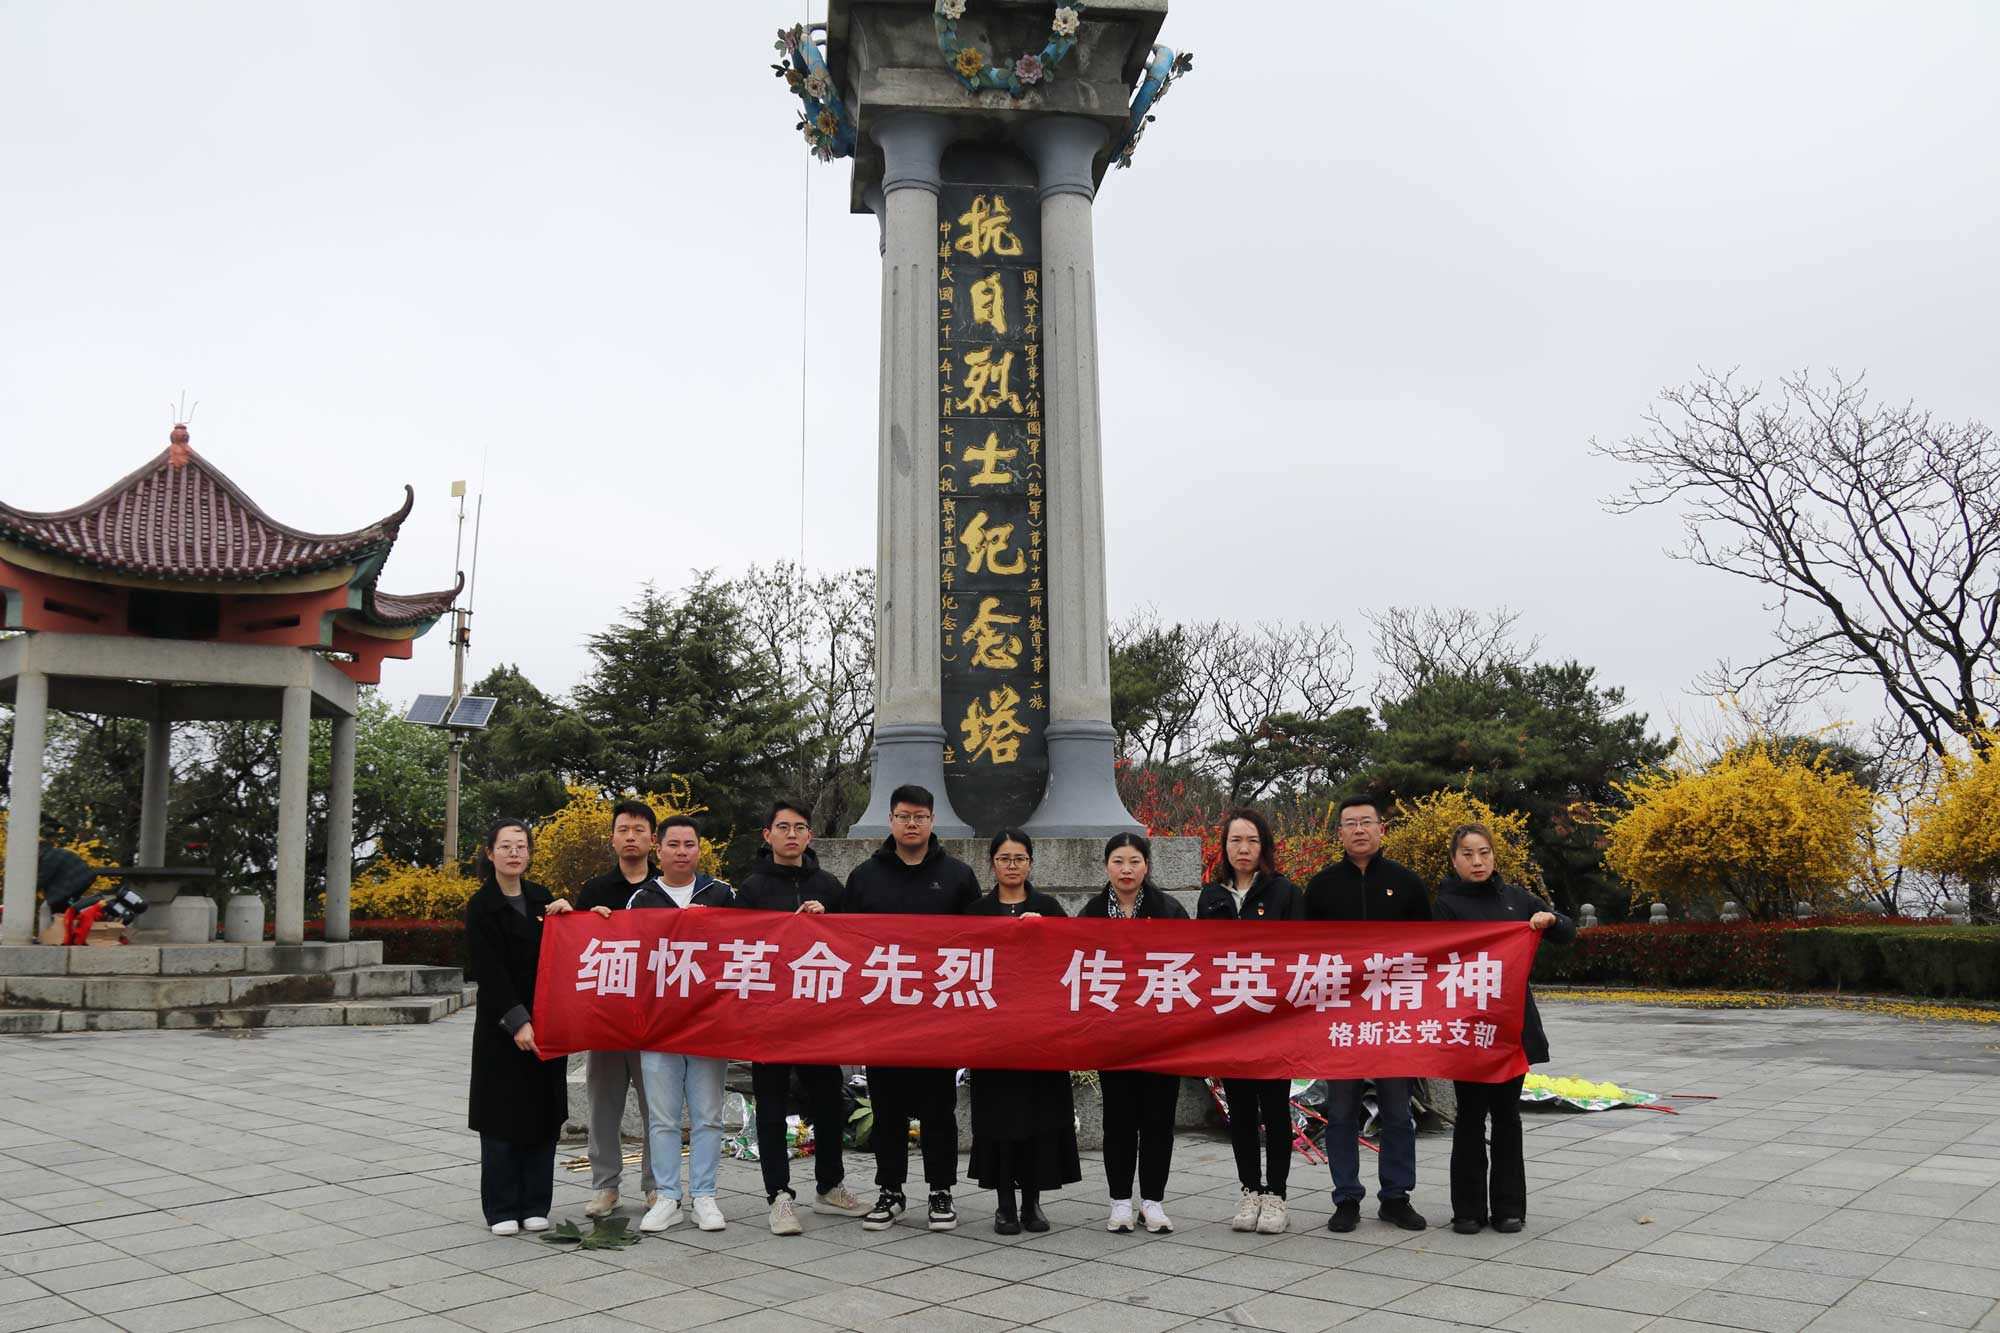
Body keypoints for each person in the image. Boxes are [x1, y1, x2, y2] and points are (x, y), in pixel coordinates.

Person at [840, 784, 981, 1232]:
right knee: (888, 1108)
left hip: (938, 1014)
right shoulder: (865, 876)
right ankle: (890, 1190)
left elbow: (980, 943)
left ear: (932, 821)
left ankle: (941, 1191)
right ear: (891, 820)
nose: (912, 824)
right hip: (883, 1012)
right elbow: (846, 941)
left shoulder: (957, 876)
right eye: (904, 816)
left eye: (920, 817)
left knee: (939, 1109)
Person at [732, 798, 869, 1235]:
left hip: (817, 1015)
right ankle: (779, 1196)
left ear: (810, 835)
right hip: (769, 1017)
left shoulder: (829, 885)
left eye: (799, 827)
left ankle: (830, 1187)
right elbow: (738, 947)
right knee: (771, 1107)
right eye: (783, 827)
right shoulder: (751, 889)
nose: (791, 834)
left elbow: (853, 941)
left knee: (829, 1101)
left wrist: (827, 920)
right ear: (767, 835)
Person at [1430, 822, 1573, 1235]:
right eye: (1468, 854)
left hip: (1512, 1026)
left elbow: (1568, 932)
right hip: (1468, 1028)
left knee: (1508, 1116)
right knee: (1470, 1117)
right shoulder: (1445, 906)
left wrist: (1550, 919)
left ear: (1494, 855)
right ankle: (1468, 1210)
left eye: (1484, 853)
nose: (1477, 861)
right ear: (1454, 860)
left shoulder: (1515, 899)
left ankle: (1510, 1208)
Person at [1304, 794, 1433, 1234]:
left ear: (1381, 829)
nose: (1359, 830)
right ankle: (1346, 1198)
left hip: (1394, 1016)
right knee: (1341, 1112)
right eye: (1350, 823)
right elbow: (1303, 954)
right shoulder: (1321, 886)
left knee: (1397, 1111)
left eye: (1366, 822)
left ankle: (1396, 1197)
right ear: (1339, 833)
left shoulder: (1407, 883)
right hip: (1341, 1017)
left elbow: (1431, 950)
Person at [966, 830, 1081, 1235]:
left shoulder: (1048, 908)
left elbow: (1071, 961)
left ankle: (1032, 1201)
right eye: (1004, 858)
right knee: (999, 1119)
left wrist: (1048, 932)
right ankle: (1003, 1204)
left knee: (1038, 1117)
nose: (1012, 866)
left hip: (1040, 1035)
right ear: (992, 863)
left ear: (1031, 863)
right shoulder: (976, 912)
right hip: (993, 1035)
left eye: (1019, 858)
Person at [465, 818, 575, 1235]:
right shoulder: (481, 906)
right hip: (501, 1028)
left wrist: (571, 917)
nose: (514, 853)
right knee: (501, 1116)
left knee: (544, 1113)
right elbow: (489, 972)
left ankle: (535, 1203)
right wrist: (517, 1021)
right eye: (505, 846)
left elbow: (566, 951)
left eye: (521, 846)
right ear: (489, 853)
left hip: (548, 1022)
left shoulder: (542, 899)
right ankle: (501, 1207)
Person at [1197, 808, 1305, 1234]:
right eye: (1235, 840)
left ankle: (1276, 1194)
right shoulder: (1211, 896)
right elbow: (1202, 958)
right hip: (1231, 1019)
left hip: (1274, 1019)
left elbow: (1300, 955)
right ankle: (1249, 1191)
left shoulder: (1285, 893)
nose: (1243, 849)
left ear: (1265, 847)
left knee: (1275, 1109)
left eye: (1252, 840)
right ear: (1224, 847)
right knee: (1239, 1109)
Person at [630, 815, 735, 1234]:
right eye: (673, 844)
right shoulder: (642, 899)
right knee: (662, 1118)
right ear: (658, 850)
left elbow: (746, 947)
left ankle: (705, 1195)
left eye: (689, 844)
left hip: (709, 1024)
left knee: (708, 1115)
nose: (681, 852)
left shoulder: (722, 894)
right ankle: (668, 1196)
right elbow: (629, 955)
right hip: (658, 1025)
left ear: (700, 849)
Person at [1079, 831, 1187, 1236]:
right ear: (1107, 866)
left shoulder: (1169, 910)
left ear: (1147, 866)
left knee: (1159, 1120)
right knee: (1119, 1119)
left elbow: (1189, 964)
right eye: (1118, 861)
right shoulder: (1092, 913)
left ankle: (1153, 1201)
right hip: (1114, 1033)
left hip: (1161, 1033)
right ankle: (1120, 1201)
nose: (1126, 870)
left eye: (1134, 861)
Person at [573, 800, 659, 1219]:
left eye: (639, 830)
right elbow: (575, 948)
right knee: (603, 1106)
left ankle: (656, 1185)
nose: (631, 837)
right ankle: (605, 1186)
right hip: (606, 1019)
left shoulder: (665, 890)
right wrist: (582, 920)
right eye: (623, 830)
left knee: (656, 1108)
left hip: (653, 1019)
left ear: (653, 840)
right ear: (612, 839)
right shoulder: (595, 891)